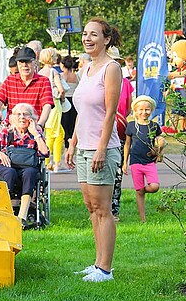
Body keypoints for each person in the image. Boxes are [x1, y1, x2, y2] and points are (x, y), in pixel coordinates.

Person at [66, 17, 123, 283]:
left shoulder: (111, 68)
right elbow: (82, 111)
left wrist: (101, 149)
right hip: (83, 147)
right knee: (91, 207)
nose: (87, 38)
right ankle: (97, 263)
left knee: (103, 209)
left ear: (106, 39)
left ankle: (106, 270)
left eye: (94, 35)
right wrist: (73, 142)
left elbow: (110, 112)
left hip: (102, 148)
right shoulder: (86, 68)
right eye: (85, 34)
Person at [0, 102, 49, 226]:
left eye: (26, 114)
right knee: (10, 172)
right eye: (18, 114)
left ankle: (21, 217)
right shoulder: (5, 132)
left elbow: (45, 154)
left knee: (30, 173)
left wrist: (35, 133)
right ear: (12, 117)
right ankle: (4, 214)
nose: (22, 117)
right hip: (7, 167)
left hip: (28, 169)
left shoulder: (35, 135)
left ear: (32, 118)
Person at [123, 95, 166, 222]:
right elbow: (127, 145)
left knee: (154, 187)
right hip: (135, 162)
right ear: (135, 111)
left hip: (149, 162)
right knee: (139, 192)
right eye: (140, 110)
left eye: (147, 109)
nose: (144, 112)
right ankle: (143, 219)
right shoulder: (131, 126)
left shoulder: (154, 126)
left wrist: (159, 151)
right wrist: (124, 162)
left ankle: (141, 190)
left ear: (151, 110)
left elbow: (160, 140)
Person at [0, 46, 53, 129]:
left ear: (35, 62)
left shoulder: (43, 81)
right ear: (17, 63)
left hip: (33, 130)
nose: (24, 65)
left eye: (28, 61)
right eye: (21, 62)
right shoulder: (10, 80)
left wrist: (40, 124)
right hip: (12, 129)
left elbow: (47, 105)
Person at [108, 46, 134, 220]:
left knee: (117, 173)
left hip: (119, 128)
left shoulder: (125, 83)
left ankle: (114, 210)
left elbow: (129, 105)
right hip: (100, 128)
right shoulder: (97, 79)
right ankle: (101, 207)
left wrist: (120, 117)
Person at [38, 48, 68, 172]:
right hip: (54, 102)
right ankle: (49, 162)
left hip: (42, 103)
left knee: (56, 133)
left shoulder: (39, 72)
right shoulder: (53, 72)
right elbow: (61, 89)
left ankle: (52, 162)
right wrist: (62, 97)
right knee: (54, 133)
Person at [60, 55, 79, 145]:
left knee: (64, 123)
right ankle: (71, 143)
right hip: (74, 100)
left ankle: (66, 140)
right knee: (72, 123)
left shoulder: (61, 76)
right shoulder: (76, 76)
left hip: (64, 101)